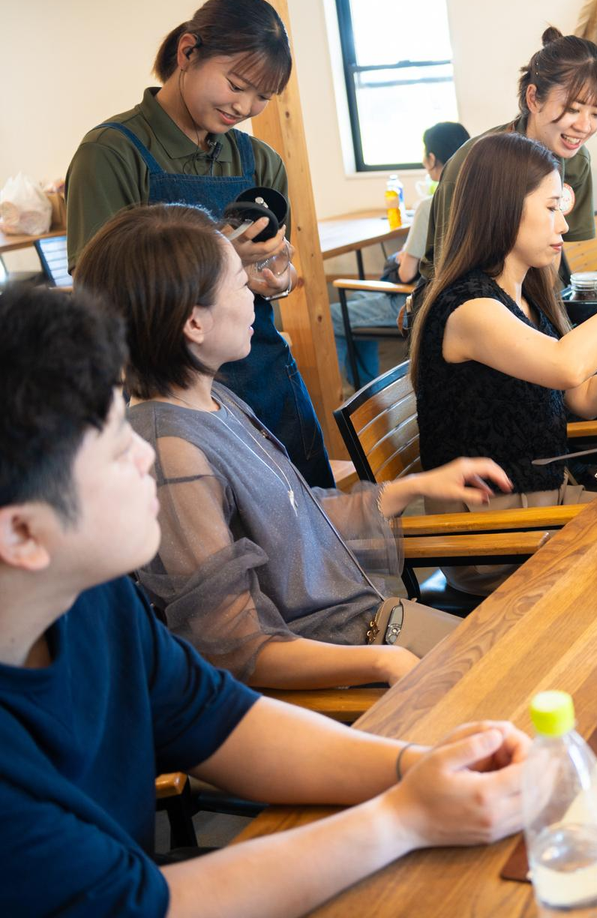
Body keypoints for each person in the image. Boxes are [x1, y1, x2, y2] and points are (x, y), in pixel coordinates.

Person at [0, 285, 532, 917]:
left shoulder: (91, 597)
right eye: (116, 448)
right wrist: (403, 817)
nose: (143, 453)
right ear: (22, 533)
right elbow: (141, 905)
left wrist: (415, 767)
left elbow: (214, 718)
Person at [76, 203, 511, 689]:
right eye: (240, 284)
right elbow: (238, 648)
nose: (254, 298)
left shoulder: (215, 398)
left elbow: (294, 520)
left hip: (371, 631)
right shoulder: (172, 453)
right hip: (342, 667)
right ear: (194, 323)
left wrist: (416, 487)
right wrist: (383, 663)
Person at [408, 132, 597, 595]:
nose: (563, 225)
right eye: (551, 208)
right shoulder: (469, 309)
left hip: (544, 502)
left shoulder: (523, 295)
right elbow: (569, 366)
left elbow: (581, 396)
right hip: (493, 531)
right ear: (503, 209)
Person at [66, 0, 334, 488]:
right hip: (166, 390)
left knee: (309, 505)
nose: (245, 107)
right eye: (237, 85)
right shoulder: (112, 153)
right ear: (188, 52)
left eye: (263, 97)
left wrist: (277, 277)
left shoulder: (260, 161)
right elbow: (98, 291)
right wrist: (222, 256)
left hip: (261, 371)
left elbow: (274, 266)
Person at [408, 27, 597, 322]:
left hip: (533, 302)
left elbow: (553, 253)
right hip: (463, 308)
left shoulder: (576, 161)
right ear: (533, 98)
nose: (585, 127)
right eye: (572, 109)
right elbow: (449, 271)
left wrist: (547, 321)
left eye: (596, 114)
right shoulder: (473, 165)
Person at [334, 120, 469, 388]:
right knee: (358, 298)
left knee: (335, 315)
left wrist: (404, 256)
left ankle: (357, 392)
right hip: (457, 295)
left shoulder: (429, 205)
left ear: (432, 158)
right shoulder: (478, 198)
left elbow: (407, 274)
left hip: (417, 300)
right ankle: (369, 386)